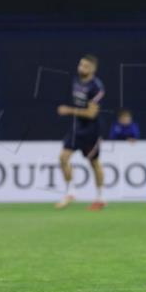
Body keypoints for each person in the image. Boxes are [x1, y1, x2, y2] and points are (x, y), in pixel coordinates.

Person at [56, 54, 106, 211]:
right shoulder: (76, 81)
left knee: (94, 163)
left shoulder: (96, 87)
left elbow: (91, 114)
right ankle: (71, 191)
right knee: (63, 158)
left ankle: (100, 197)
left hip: (91, 130)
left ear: (93, 69)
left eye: (85, 66)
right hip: (77, 127)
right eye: (80, 65)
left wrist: (68, 110)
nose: (81, 68)